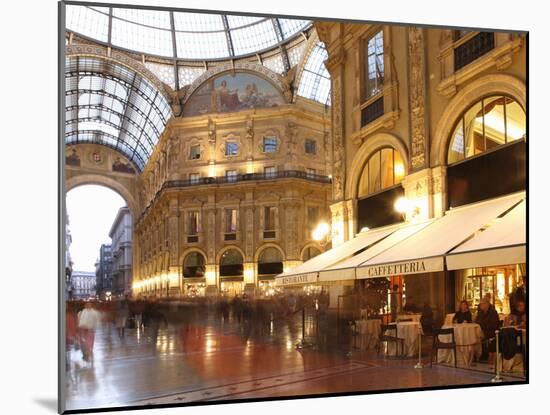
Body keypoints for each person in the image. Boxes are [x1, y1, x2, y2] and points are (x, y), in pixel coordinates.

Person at [475, 298, 500, 364]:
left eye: (481, 304)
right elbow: (477, 321)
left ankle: (481, 354)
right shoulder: (480, 312)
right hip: (482, 330)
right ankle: (477, 355)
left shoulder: (493, 312)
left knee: (477, 336)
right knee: (473, 335)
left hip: (491, 331)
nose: (480, 306)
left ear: (487, 304)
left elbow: (494, 325)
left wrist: (482, 326)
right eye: (480, 304)